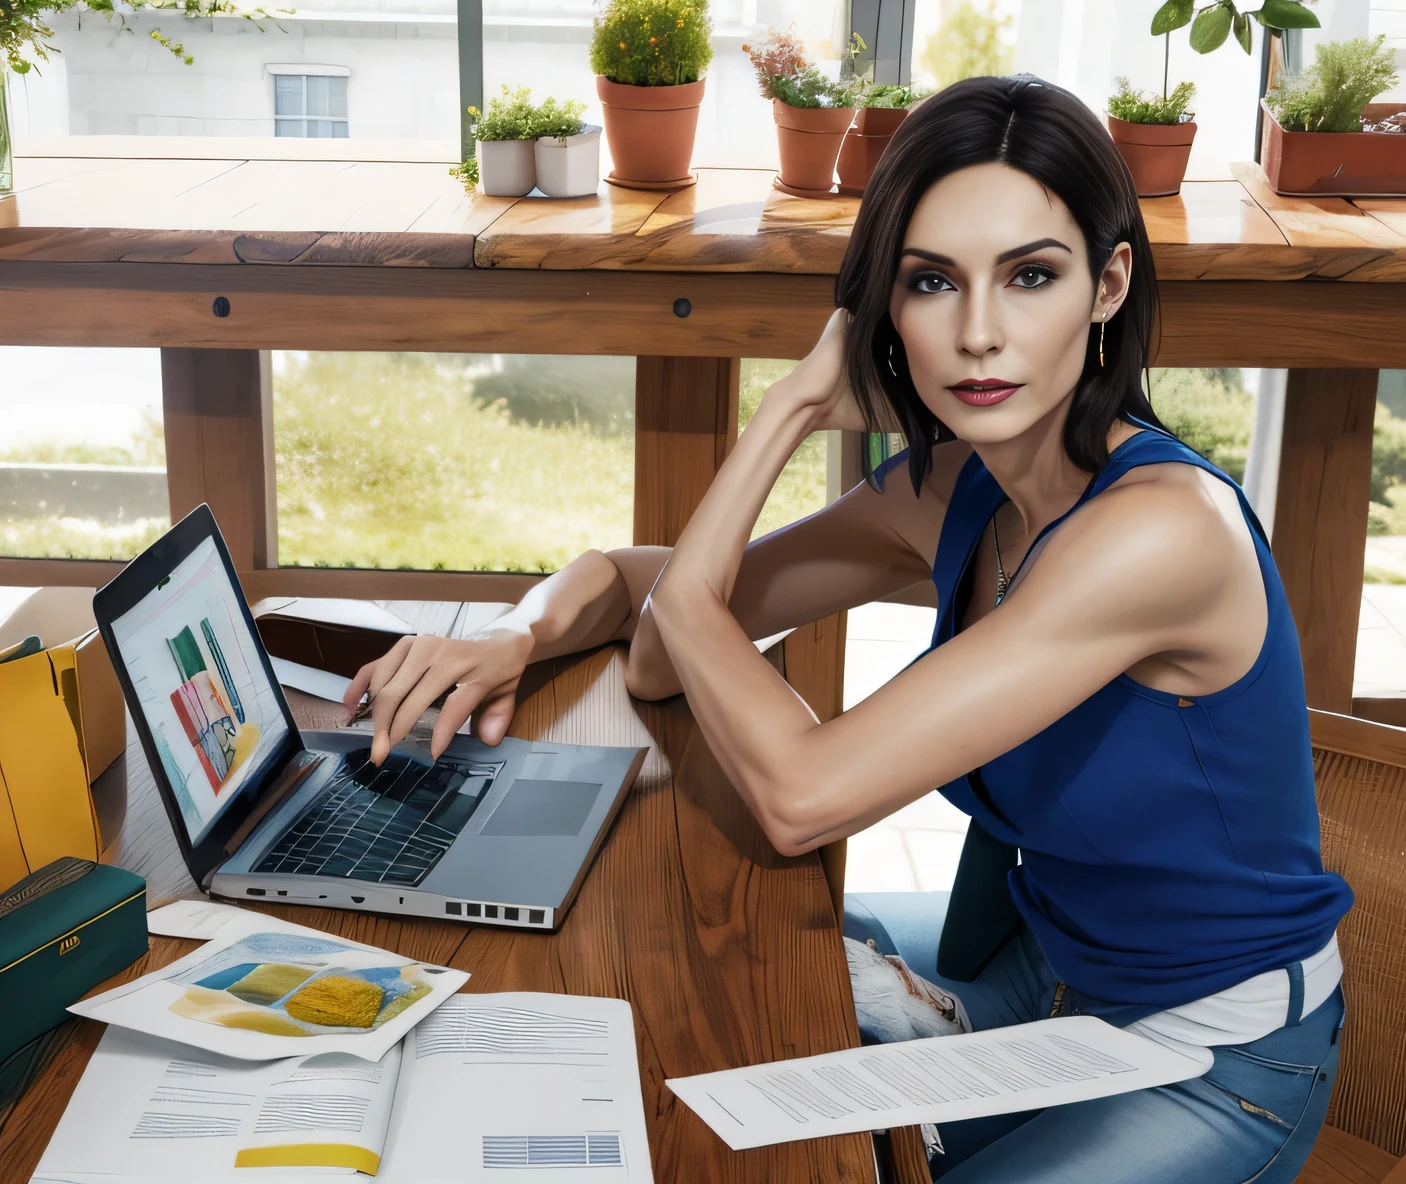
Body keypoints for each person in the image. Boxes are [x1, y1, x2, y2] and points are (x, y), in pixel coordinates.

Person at [344, 76, 1353, 1183]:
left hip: (1209, 1051)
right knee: (664, 999)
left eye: (1031, 275)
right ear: (886, 307)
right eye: (932, 282)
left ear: (1108, 283)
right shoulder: (956, 489)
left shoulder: (1158, 535)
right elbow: (655, 635)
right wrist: (519, 635)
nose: (978, 333)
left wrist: (772, 437)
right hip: (1038, 967)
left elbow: (799, 793)